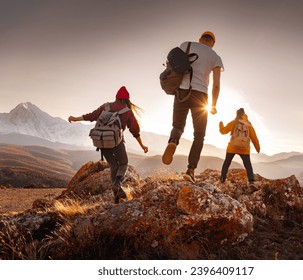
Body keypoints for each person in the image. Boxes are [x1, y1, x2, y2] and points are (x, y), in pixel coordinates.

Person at [162, 31, 224, 183]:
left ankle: (173, 141)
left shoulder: (186, 45)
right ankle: (190, 170)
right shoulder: (215, 57)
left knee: (178, 125)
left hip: (181, 91)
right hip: (200, 95)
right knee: (199, 135)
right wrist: (213, 105)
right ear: (212, 43)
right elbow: (216, 84)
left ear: (200, 39)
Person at [68, 86, 148, 203]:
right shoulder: (127, 111)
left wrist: (76, 118)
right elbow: (135, 131)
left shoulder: (105, 106)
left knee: (113, 166)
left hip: (102, 141)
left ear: (116, 97)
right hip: (116, 142)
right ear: (127, 99)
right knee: (123, 163)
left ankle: (115, 197)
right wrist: (142, 146)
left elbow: (92, 116)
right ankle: (117, 183)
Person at [219, 108, 260, 188]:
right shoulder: (248, 124)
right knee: (248, 164)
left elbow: (223, 131)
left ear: (237, 114)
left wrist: (221, 125)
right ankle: (251, 181)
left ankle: (222, 179)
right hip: (244, 149)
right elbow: (254, 137)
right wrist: (257, 147)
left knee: (227, 162)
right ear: (244, 114)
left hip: (232, 147)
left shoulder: (234, 122)